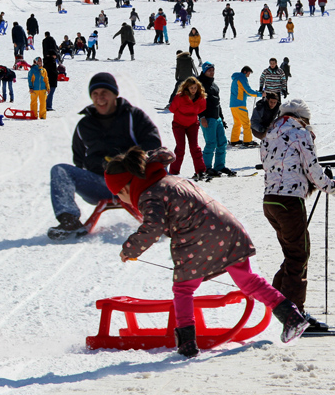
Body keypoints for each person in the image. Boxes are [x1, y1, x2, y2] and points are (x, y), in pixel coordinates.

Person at [106, 147, 309, 357]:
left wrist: (130, 249)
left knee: (183, 289)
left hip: (198, 238)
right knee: (248, 280)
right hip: (228, 228)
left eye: (120, 195)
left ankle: (187, 344)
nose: (124, 201)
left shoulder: (149, 194)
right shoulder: (170, 179)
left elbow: (153, 227)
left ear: (126, 187)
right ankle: (291, 316)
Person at [260, 100, 335, 331]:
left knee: (293, 253)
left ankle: (277, 304)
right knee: (299, 255)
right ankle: (295, 316)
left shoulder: (270, 133)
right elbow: (312, 169)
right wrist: (333, 187)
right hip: (289, 202)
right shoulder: (300, 133)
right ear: (303, 118)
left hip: (271, 200)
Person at [47, 73, 161, 240]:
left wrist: (126, 162)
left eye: (104, 93)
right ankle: (68, 221)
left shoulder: (133, 116)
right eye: (95, 94)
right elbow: (78, 159)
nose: (99, 98)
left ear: (115, 94)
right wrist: (97, 165)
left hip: (134, 184)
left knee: (169, 178)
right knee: (60, 170)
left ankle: (168, 217)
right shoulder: (85, 125)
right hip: (100, 184)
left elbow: (154, 145)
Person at [197, 62, 232, 177]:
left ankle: (219, 166)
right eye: (209, 70)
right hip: (207, 118)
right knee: (211, 143)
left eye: (213, 70)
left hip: (216, 118)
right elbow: (197, 102)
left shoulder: (214, 85)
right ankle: (206, 167)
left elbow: (217, 103)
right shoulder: (199, 84)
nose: (211, 72)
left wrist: (221, 117)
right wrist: (201, 117)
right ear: (204, 71)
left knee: (222, 143)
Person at [168, 78, 208, 178]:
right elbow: (172, 109)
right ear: (187, 87)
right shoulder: (180, 97)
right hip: (178, 125)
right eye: (191, 88)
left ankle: (200, 171)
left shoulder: (200, 97)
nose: (193, 90)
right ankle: (174, 172)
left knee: (195, 147)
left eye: (195, 88)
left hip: (192, 124)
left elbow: (202, 108)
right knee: (180, 148)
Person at [229, 66, 262, 146]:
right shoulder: (242, 78)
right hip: (240, 105)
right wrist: (260, 94)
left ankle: (234, 140)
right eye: (248, 73)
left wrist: (257, 94)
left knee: (237, 123)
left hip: (233, 105)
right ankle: (248, 141)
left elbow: (244, 93)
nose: (249, 75)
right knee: (246, 123)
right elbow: (248, 91)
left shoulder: (235, 79)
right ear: (245, 72)